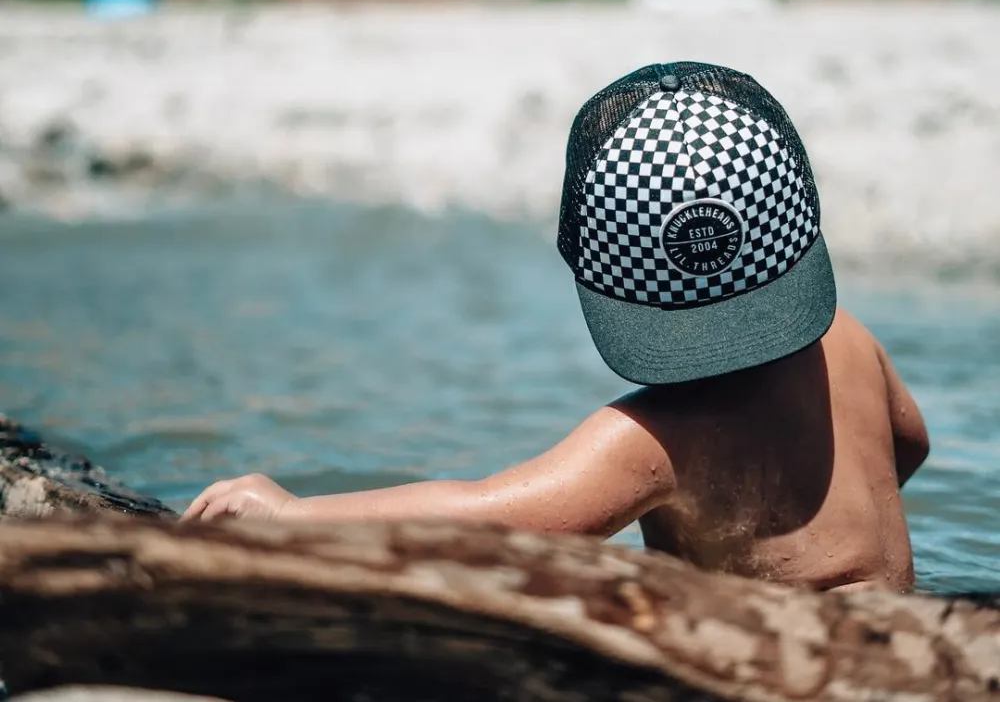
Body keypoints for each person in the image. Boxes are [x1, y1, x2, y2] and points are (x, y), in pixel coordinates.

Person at [183, 62, 930, 592]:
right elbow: (909, 443)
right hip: (903, 651)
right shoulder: (850, 343)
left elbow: (486, 519)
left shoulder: (654, 442)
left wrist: (294, 516)